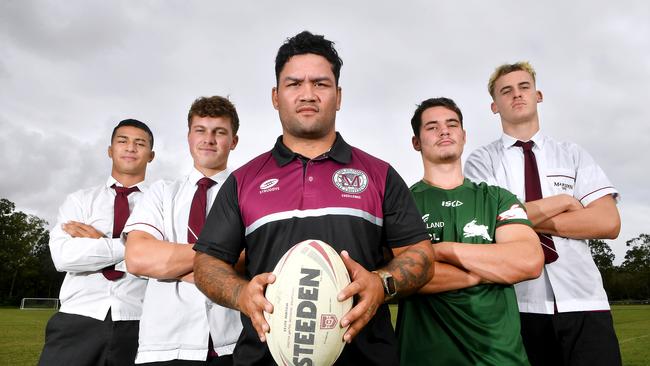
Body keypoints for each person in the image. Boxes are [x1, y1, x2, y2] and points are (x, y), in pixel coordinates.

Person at [192, 31, 435, 366]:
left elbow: (420, 255)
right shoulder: (244, 181)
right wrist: (240, 294)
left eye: (321, 84)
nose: (308, 94)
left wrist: (382, 284)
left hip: (366, 357)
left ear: (338, 96)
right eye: (294, 84)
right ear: (276, 96)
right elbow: (206, 263)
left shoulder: (379, 175)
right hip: (263, 358)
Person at [464, 62, 622, 366]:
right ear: (494, 106)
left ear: (538, 95)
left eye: (524, 87)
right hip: (518, 305)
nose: (517, 95)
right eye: (506, 91)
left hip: (585, 300)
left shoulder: (573, 154)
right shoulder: (481, 161)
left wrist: (520, 218)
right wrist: (563, 201)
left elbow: (608, 222)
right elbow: (488, 222)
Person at [395, 97, 543, 365]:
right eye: (432, 127)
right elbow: (404, 277)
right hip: (426, 357)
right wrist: (490, 270)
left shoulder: (499, 198)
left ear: (463, 135)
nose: (444, 130)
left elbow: (529, 262)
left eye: (452, 124)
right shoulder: (400, 203)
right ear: (416, 142)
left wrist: (440, 250)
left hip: (501, 357)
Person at [123, 96, 242, 366]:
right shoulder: (162, 192)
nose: (209, 139)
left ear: (233, 141)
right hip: (166, 344)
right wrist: (220, 261)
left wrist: (172, 261)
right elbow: (138, 257)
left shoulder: (247, 193)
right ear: (189, 136)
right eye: (200, 130)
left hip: (233, 341)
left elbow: (255, 259)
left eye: (219, 132)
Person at [39, 119, 155, 366]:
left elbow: (164, 264)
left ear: (151, 155)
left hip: (140, 321)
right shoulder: (79, 201)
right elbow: (64, 257)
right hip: (77, 318)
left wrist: (98, 242)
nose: (130, 148)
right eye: (122, 141)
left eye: (140, 143)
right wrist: (133, 248)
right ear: (110, 150)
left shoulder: (162, 204)